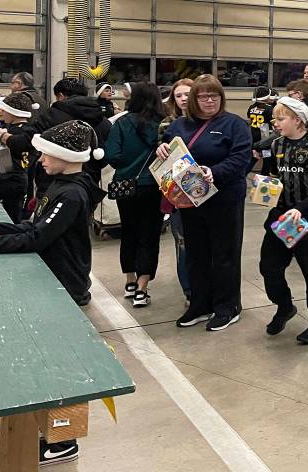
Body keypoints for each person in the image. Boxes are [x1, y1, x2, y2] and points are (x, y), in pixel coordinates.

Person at [0, 120, 105, 465]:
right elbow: (32, 226)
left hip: (65, 285)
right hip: (53, 279)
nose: (39, 159)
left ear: (66, 157)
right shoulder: (58, 184)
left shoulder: (71, 193)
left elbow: (38, 238)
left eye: (45, 154)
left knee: (60, 362)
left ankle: (64, 438)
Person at [157, 74, 252, 332]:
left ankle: (227, 307)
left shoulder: (235, 125)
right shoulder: (179, 126)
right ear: (194, 100)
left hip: (225, 199)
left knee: (225, 254)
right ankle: (200, 304)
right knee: (196, 254)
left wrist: (215, 172)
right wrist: (161, 149)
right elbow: (169, 149)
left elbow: (241, 159)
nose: (209, 101)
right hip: (191, 201)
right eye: (203, 96)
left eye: (215, 96)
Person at [260, 97, 308, 344]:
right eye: (275, 119)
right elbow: (272, 177)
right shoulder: (276, 145)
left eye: (281, 119)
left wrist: (301, 208)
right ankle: (284, 306)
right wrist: (264, 196)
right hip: (281, 217)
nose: (276, 123)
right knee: (269, 266)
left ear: (298, 120)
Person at [104, 82, 166, 308]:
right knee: (149, 235)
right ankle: (142, 288)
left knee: (129, 231)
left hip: (125, 185)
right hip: (154, 186)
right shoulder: (162, 124)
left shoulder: (121, 122)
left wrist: (127, 166)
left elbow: (112, 154)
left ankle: (129, 281)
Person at [159, 78, 193, 305]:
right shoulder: (167, 126)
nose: (183, 99)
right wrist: (159, 148)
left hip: (207, 193)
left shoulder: (211, 124)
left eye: (188, 94)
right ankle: (189, 291)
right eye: (179, 95)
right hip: (178, 194)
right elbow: (161, 165)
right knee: (182, 243)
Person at [0, 93, 37, 221]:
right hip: (5, 178)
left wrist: (0, 136)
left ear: (13, 112)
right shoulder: (14, 128)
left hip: (13, 179)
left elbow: (19, 143)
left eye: (4, 109)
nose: (1, 113)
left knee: (12, 217)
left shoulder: (22, 131)